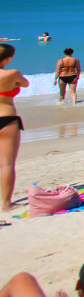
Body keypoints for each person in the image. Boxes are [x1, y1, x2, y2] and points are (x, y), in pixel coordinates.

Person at [0, 44, 28, 212]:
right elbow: (25, 84)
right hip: (7, 117)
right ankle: (5, 203)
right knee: (7, 164)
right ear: (8, 58)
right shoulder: (12, 74)